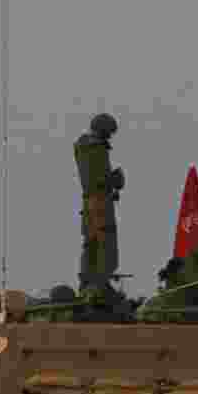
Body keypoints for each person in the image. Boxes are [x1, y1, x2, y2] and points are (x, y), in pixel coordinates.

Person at [74, 113, 125, 299]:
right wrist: (115, 180)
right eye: (109, 132)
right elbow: (96, 180)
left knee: (91, 243)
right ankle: (100, 285)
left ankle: (88, 284)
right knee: (105, 244)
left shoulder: (85, 147)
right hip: (100, 202)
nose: (110, 136)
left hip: (90, 203)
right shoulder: (95, 148)